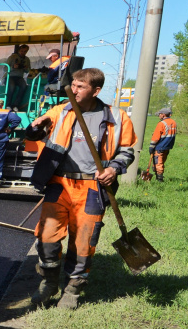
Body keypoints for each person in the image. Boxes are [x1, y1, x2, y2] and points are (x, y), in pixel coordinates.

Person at [22, 67, 137, 310]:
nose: (73, 90)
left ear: (95, 91)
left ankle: (73, 289)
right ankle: (49, 282)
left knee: (84, 241)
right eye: (72, 84)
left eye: (79, 87)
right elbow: (35, 134)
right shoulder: (61, 110)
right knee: (46, 237)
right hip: (60, 184)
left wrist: (113, 169)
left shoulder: (117, 116)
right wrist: (36, 126)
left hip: (92, 187)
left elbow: (127, 150)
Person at [149, 106, 178, 181]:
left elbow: (156, 137)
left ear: (163, 115)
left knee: (158, 162)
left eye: (160, 114)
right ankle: (157, 175)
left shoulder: (161, 123)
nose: (159, 115)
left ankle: (159, 180)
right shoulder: (173, 122)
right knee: (161, 161)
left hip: (160, 146)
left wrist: (151, 147)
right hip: (168, 146)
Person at [6, 44, 32, 109]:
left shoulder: (27, 59)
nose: (23, 53)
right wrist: (13, 67)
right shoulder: (12, 57)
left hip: (19, 77)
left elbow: (28, 71)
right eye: (22, 51)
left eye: (25, 51)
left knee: (24, 86)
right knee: (12, 87)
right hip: (10, 76)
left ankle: (16, 105)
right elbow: (5, 68)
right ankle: (8, 105)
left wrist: (26, 68)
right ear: (19, 50)